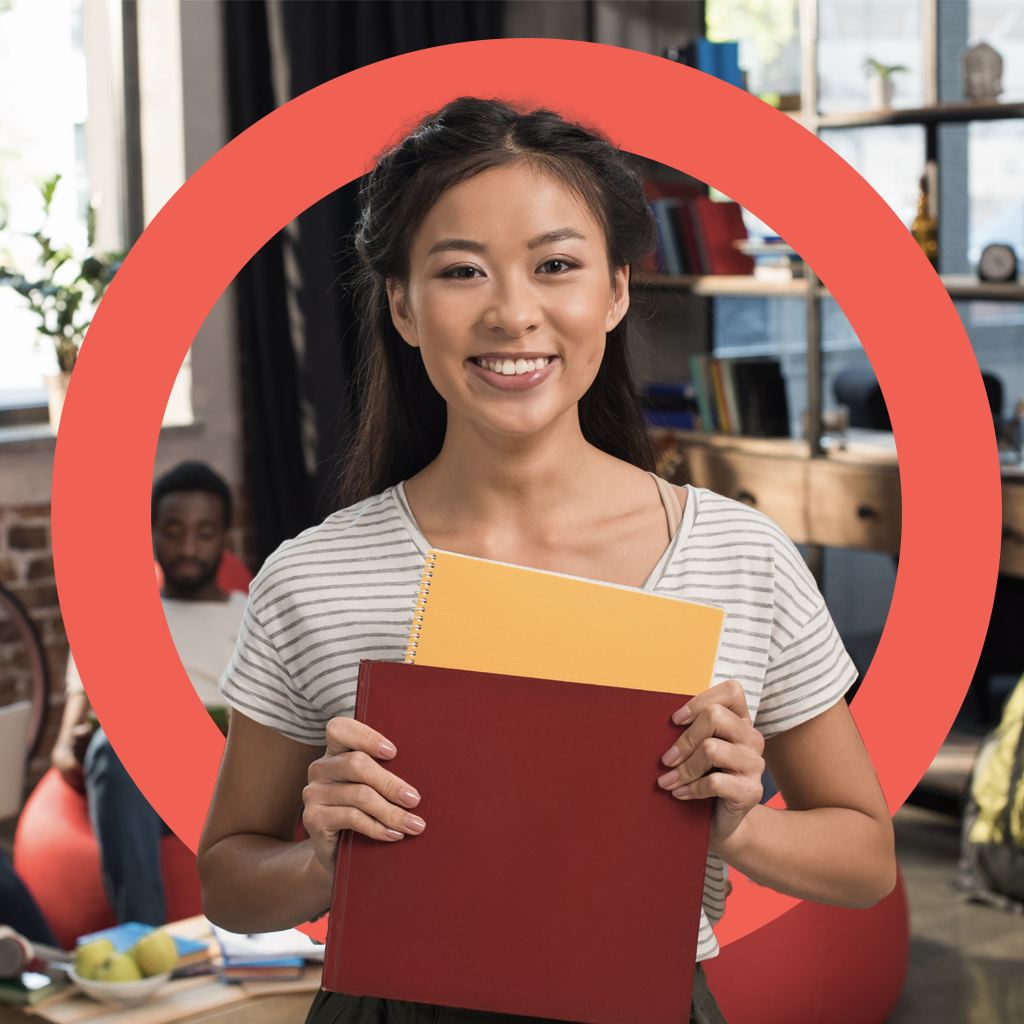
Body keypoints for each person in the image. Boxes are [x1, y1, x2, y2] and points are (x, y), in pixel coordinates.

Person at [198, 99, 896, 1024]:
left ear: (613, 290)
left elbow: (867, 859)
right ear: (402, 306)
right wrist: (320, 859)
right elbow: (229, 878)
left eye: (556, 265)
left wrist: (741, 823)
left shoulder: (741, 556)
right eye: (461, 271)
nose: (512, 312)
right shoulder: (313, 578)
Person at [52, 461, 247, 925]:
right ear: (153, 533)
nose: (187, 548)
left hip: (226, 775)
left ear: (224, 536)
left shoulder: (253, 612)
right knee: (112, 748)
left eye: (204, 532)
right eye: (173, 531)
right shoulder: (117, 615)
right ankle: (145, 937)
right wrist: (75, 745)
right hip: (137, 779)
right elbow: (65, 746)